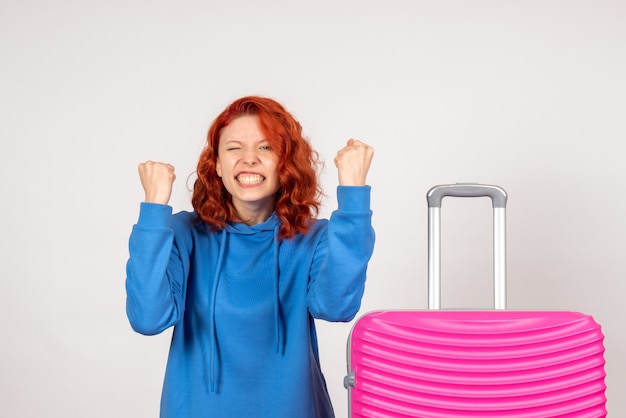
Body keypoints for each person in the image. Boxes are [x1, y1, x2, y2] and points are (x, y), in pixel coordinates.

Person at [125, 96, 375, 417]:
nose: (249, 159)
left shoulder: (314, 238)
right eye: (233, 148)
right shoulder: (182, 233)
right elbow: (148, 318)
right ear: (216, 164)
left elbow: (336, 307)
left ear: (285, 162)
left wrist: (353, 195)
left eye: (266, 147)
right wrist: (153, 211)